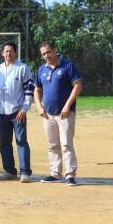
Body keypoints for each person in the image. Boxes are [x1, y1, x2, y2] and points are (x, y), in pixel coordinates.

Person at [34, 41, 82, 186]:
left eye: (48, 52)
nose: (46, 56)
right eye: (43, 54)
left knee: (66, 144)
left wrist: (67, 106)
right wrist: (39, 107)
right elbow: (37, 89)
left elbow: (78, 86)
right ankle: (55, 173)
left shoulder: (67, 65)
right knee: (52, 144)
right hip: (48, 114)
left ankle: (70, 174)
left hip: (65, 114)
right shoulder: (42, 69)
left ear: (54, 50)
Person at [0, 41, 34, 183]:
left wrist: (24, 109)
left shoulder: (22, 68)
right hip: (2, 113)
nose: (8, 53)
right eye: (6, 51)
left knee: (21, 141)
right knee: (4, 143)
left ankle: (25, 172)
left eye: (11, 51)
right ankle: (9, 171)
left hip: (17, 112)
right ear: (2, 53)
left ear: (15, 52)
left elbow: (29, 90)